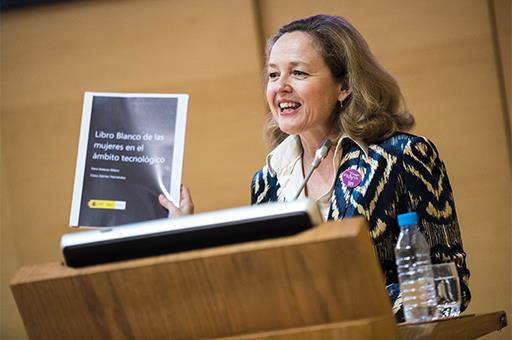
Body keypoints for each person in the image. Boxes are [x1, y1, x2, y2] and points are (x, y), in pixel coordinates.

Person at [159, 14, 470, 320]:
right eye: (272, 75)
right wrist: (182, 234)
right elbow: (261, 290)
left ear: (344, 85)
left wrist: (337, 306)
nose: (280, 87)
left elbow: (450, 283)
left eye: (298, 73)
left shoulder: (403, 157)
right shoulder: (268, 181)